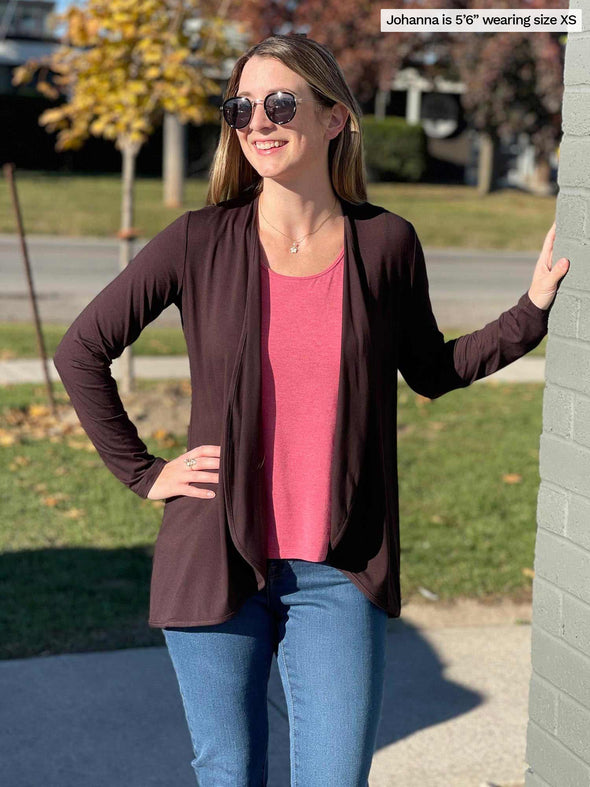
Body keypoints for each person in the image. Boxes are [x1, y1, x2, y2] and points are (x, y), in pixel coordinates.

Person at [53, 32, 569, 787]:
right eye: (241, 107)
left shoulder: (386, 242)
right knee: (228, 772)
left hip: (338, 568)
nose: (258, 121)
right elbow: (81, 350)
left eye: (280, 102)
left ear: (334, 118)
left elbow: (429, 369)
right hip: (214, 557)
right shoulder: (200, 240)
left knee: (335, 775)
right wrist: (144, 471)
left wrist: (531, 311)